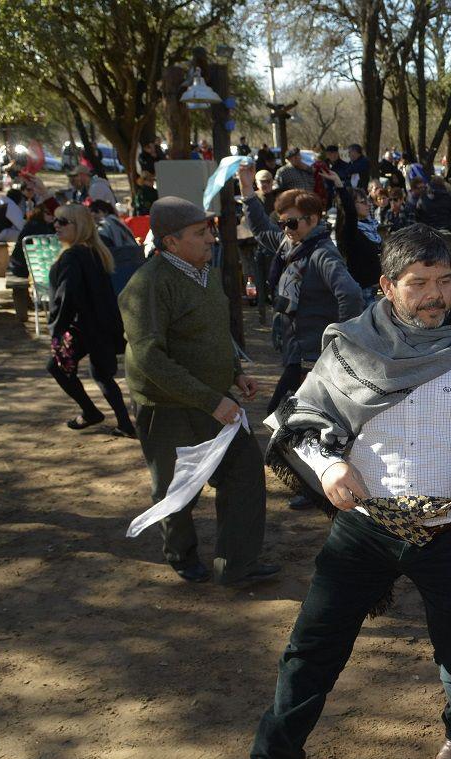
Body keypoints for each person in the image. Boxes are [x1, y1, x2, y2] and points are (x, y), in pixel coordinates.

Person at [197, 223, 451, 759]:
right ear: (386, 287)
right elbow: (300, 415)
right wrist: (328, 463)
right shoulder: (348, 348)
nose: (434, 296)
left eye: (444, 281)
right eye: (418, 283)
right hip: (366, 529)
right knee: (309, 651)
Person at [119, 196, 278, 586]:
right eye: (199, 233)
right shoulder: (148, 286)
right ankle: (181, 554)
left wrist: (235, 372)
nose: (210, 238)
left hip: (216, 401)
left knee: (244, 475)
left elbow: (212, 331)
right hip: (170, 407)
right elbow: (150, 360)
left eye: (208, 230)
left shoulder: (203, 272)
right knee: (176, 490)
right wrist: (212, 400)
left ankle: (236, 565)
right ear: (171, 243)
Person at [237, 163, 363, 418]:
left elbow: (351, 294)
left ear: (313, 220)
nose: (286, 228)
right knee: (297, 418)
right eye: (283, 222)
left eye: (291, 222)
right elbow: (262, 229)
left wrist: (340, 341)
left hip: (312, 354)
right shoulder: (290, 244)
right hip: (294, 347)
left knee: (281, 415)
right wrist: (248, 192)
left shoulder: (321, 253)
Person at [45, 204, 135, 438]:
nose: (56, 226)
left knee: (56, 366)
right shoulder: (94, 251)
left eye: (63, 222)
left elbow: (66, 296)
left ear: (80, 226)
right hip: (100, 325)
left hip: (82, 327)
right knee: (102, 374)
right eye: (55, 221)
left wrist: (56, 329)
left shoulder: (74, 255)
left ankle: (91, 412)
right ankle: (123, 423)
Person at [320, 167, 382, 306]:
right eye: (362, 202)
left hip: (372, 289)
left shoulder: (369, 227)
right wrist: (339, 184)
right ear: (352, 206)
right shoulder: (350, 229)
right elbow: (350, 213)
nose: (367, 204)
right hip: (361, 290)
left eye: (367, 201)